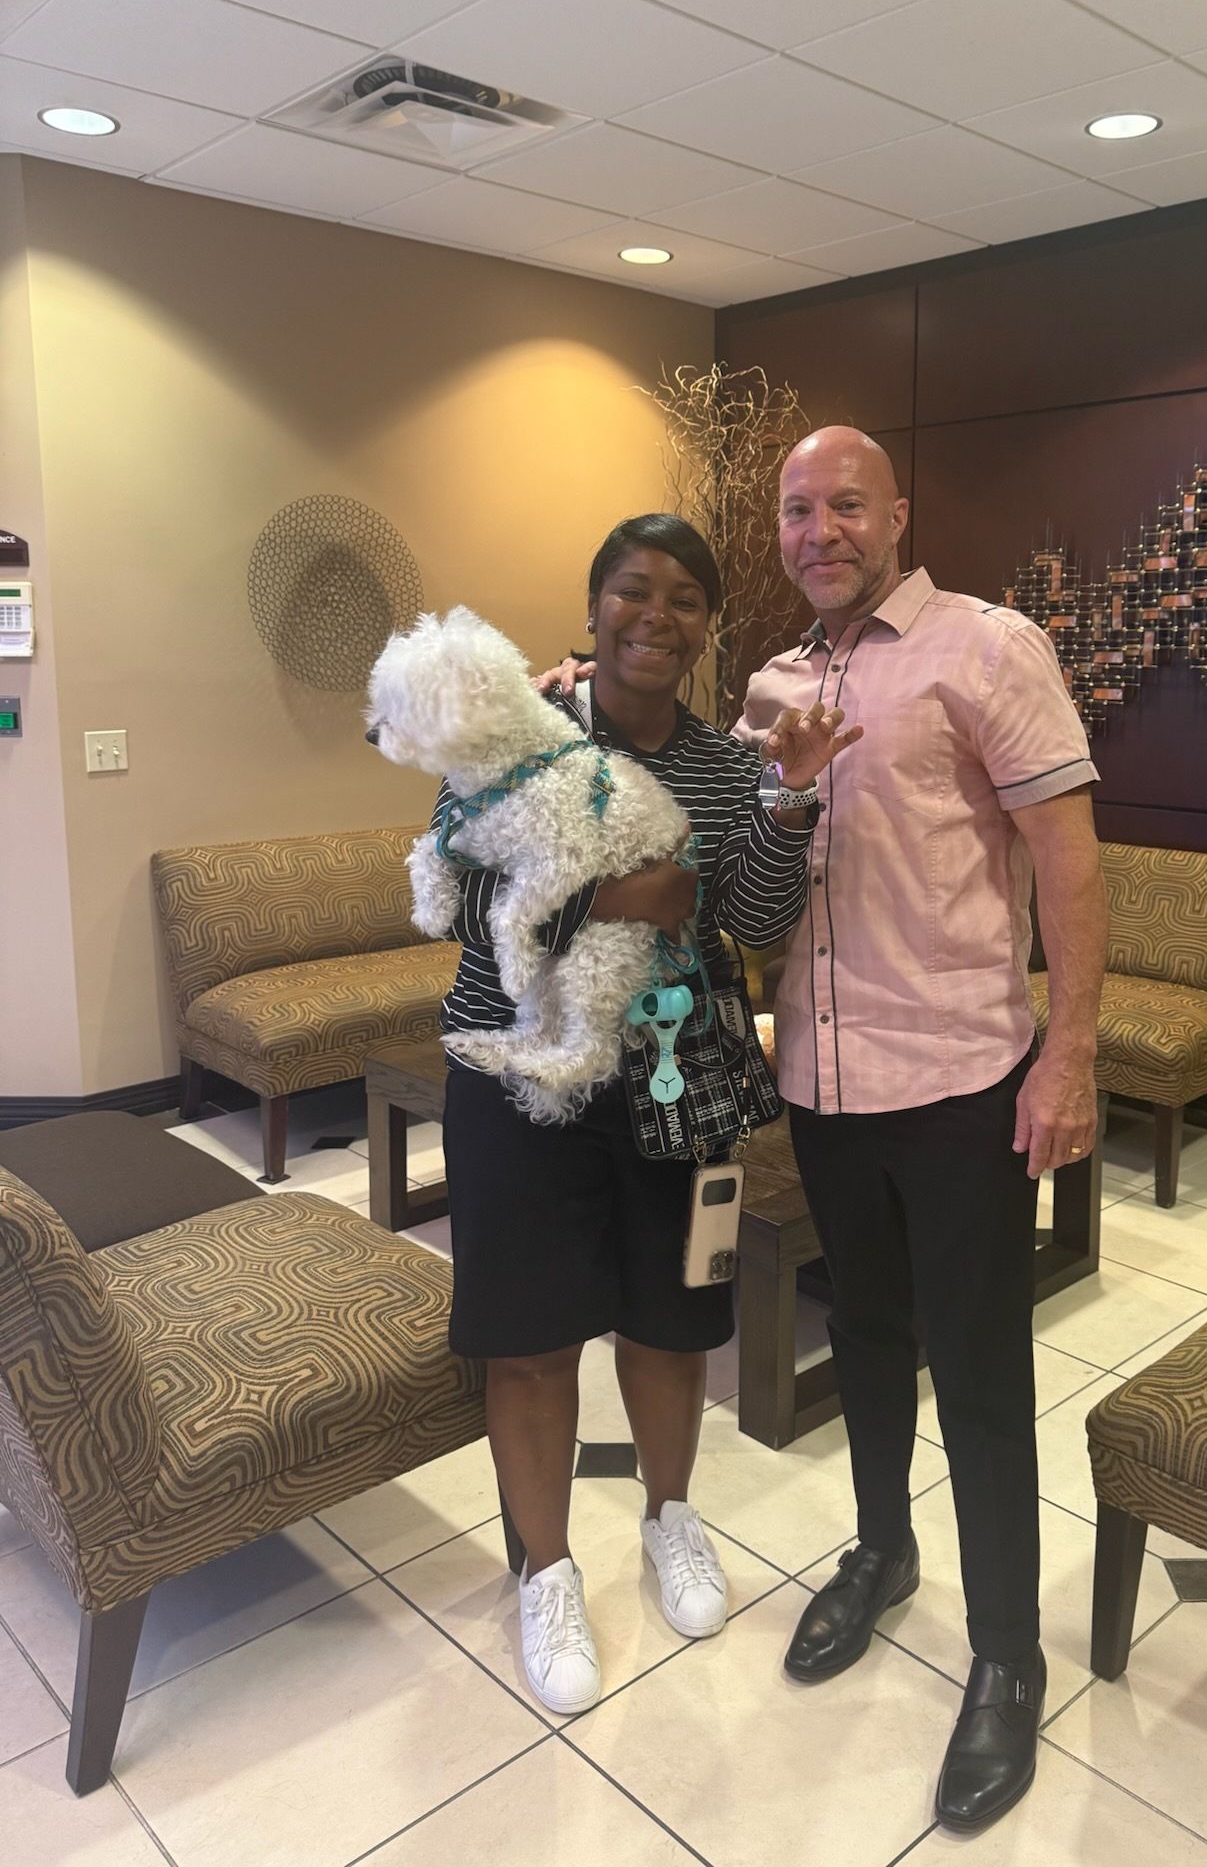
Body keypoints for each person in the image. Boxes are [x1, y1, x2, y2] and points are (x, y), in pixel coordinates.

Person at [739, 428, 1108, 1833]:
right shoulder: (774, 685)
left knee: (982, 1369)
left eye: (845, 503)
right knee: (870, 1341)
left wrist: (1067, 1053)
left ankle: (1007, 1652)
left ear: (896, 512)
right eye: (796, 509)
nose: (820, 528)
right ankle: (882, 1549)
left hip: (960, 1082)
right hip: (823, 1087)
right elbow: (752, 887)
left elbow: (1070, 865)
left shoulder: (986, 647)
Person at [440, 513, 856, 1716]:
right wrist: (620, 893)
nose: (656, 615)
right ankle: (547, 1565)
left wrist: (788, 801)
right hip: (518, 1077)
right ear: (593, 605)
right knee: (527, 1334)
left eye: (684, 598)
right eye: (634, 590)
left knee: (674, 1322)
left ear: (704, 629)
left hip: (674, 1083)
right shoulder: (517, 737)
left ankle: (671, 1517)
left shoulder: (727, 764)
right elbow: (460, 898)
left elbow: (758, 918)